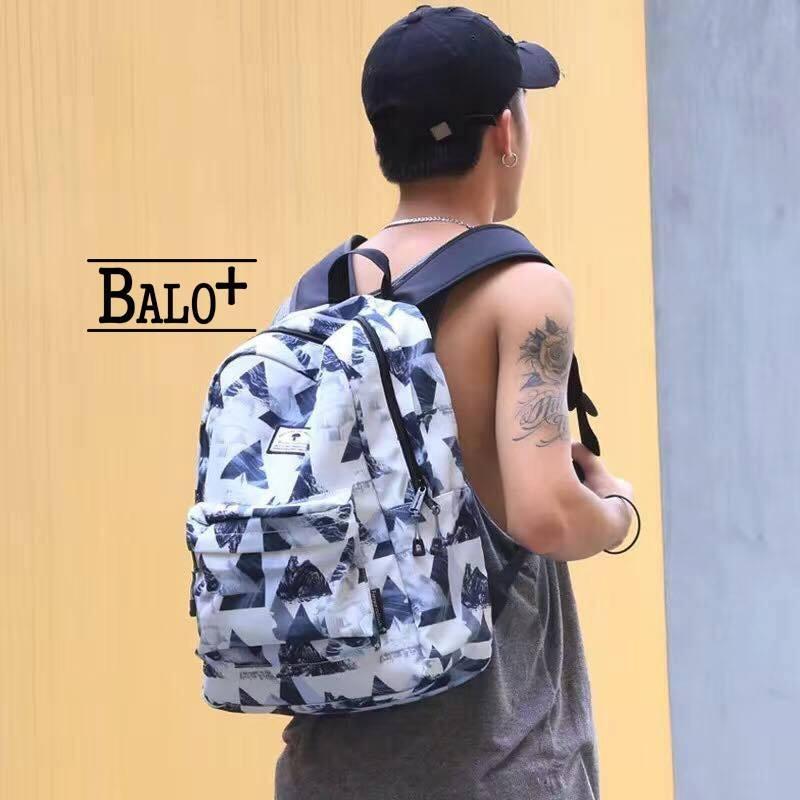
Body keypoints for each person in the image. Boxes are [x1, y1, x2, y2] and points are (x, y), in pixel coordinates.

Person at [272, 5, 635, 798]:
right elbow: (545, 514)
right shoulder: (523, 291)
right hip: (493, 760)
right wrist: (615, 512)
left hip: (329, 767)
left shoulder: (314, 297)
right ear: (505, 132)